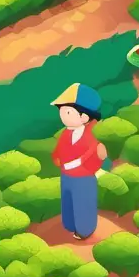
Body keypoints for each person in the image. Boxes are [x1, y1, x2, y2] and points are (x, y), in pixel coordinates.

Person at [50, 83, 108, 241]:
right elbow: (58, 151)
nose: (63, 116)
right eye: (62, 112)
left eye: (68, 112)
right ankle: (69, 224)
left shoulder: (91, 136)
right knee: (67, 199)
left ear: (84, 116)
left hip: (83, 177)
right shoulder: (66, 134)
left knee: (83, 202)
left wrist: (96, 157)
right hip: (66, 175)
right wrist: (58, 159)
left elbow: (95, 154)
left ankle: (84, 229)